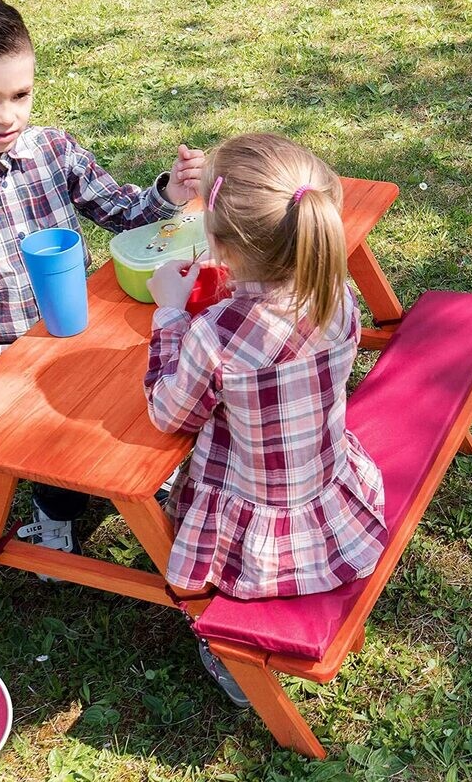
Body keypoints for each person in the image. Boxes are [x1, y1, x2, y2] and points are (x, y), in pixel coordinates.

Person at [0, 0, 204, 565]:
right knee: (48, 444)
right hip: (4, 351)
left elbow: (116, 209)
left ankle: (146, 471)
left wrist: (167, 197)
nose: (6, 116)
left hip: (82, 326)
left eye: (20, 95)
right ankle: (55, 518)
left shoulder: (51, 149)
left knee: (137, 392)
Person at [143, 133, 387, 705]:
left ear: (219, 244)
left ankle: (231, 642)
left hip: (252, 515)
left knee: (160, 475)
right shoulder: (336, 291)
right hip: (324, 482)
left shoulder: (217, 334)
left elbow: (167, 414)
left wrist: (170, 315)